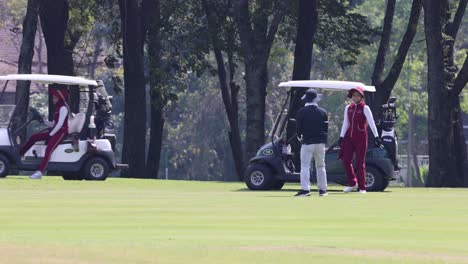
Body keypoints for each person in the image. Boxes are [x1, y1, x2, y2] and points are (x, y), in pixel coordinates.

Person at [338, 87, 382, 193]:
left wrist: (376, 137)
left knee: (360, 162)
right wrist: (341, 136)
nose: (355, 97)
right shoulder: (348, 108)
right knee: (346, 160)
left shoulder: (365, 108)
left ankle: (362, 187)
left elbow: (371, 123)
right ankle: (353, 183)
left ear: (361, 97)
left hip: (361, 138)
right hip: (349, 137)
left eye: (357, 95)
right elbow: (346, 123)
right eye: (353, 95)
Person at [19, 88, 69, 179]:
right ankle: (21, 153)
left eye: (55, 98)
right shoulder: (58, 107)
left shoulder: (63, 108)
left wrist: (51, 135)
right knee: (34, 137)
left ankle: (40, 172)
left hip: (61, 132)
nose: (53, 99)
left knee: (48, 150)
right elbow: (53, 124)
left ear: (59, 98)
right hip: (55, 131)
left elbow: (60, 124)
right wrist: (43, 121)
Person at [295, 88, 329, 197]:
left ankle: (305, 190)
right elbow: (325, 128)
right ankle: (322, 190)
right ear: (315, 99)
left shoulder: (301, 112)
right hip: (320, 143)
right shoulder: (323, 112)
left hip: (307, 143)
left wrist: (300, 138)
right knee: (321, 166)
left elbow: (298, 129)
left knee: (305, 166)